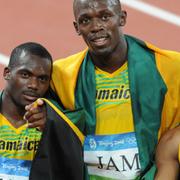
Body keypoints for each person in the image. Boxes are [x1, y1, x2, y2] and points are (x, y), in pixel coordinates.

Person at [29, 0, 180, 179]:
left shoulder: (169, 67)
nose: (96, 27)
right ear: (77, 27)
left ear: (122, 18)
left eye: (105, 16)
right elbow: (23, 105)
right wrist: (48, 117)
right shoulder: (62, 75)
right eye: (85, 21)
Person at [0, 42, 52, 180]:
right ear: (7, 73)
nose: (34, 85)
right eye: (25, 75)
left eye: (42, 79)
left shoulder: (50, 124)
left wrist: (52, 129)